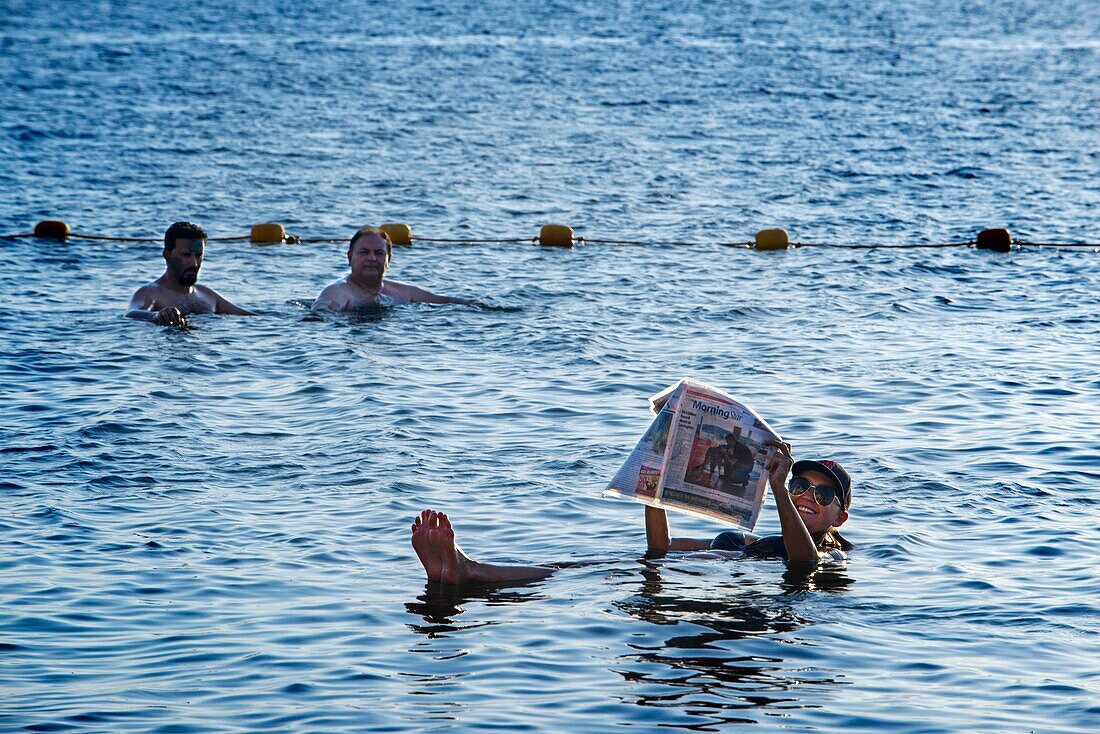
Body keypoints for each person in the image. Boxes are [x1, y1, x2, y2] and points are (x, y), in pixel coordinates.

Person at [410, 441, 854, 585]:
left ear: (839, 518)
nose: (806, 497)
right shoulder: (756, 543)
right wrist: (657, 482)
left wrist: (777, 489)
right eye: (800, 486)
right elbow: (660, 548)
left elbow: (802, 565)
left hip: (708, 588)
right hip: (673, 572)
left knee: (574, 574)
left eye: (822, 496)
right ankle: (466, 569)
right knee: (571, 566)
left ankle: (467, 572)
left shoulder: (829, 557)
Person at [312, 226, 482, 312]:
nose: (371, 258)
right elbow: (321, 313)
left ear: (389, 260)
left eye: (378, 253)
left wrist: (474, 304)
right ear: (350, 257)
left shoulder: (401, 292)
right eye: (364, 252)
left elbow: (444, 302)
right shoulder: (338, 292)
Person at [127, 221, 255, 325]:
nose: (193, 263)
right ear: (167, 255)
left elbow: (250, 318)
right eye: (186, 255)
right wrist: (157, 315)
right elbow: (132, 313)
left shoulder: (207, 294)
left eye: (198, 255)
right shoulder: (150, 293)